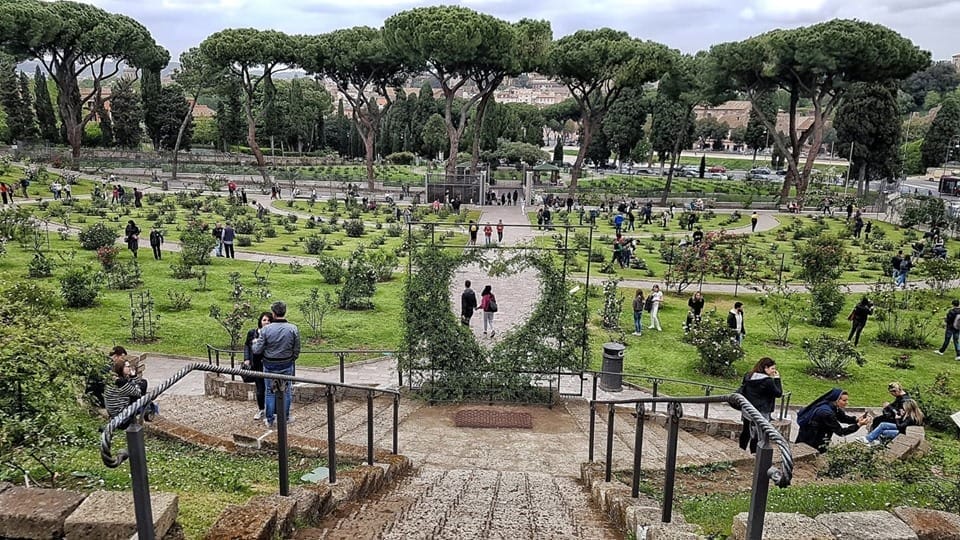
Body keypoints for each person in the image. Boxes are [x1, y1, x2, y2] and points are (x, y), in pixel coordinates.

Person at [251, 301, 301, 428]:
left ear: (273, 314)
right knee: (287, 390)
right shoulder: (293, 328)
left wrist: (254, 342)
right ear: (284, 312)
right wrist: (291, 359)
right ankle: (286, 417)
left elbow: (257, 350)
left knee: (269, 391)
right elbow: (296, 349)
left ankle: (269, 419)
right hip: (286, 364)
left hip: (270, 365)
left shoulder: (266, 330)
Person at [796, 388, 870, 453]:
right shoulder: (827, 413)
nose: (847, 402)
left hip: (814, 437)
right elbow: (841, 432)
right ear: (836, 400)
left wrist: (856, 420)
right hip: (811, 440)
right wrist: (859, 425)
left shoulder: (833, 406)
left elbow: (843, 418)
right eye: (844, 400)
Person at [737, 358, 783, 454]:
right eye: (772, 368)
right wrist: (777, 379)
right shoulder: (767, 381)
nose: (774, 371)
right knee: (758, 434)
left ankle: (741, 451)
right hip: (761, 411)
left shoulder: (748, 376)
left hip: (747, 409)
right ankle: (754, 454)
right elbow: (778, 393)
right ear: (765, 368)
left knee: (746, 431)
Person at [103, 346, 154, 429]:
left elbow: (132, 385)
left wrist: (133, 377)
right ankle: (146, 409)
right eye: (127, 367)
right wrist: (134, 377)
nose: (130, 368)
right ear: (121, 368)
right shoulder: (121, 382)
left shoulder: (115, 377)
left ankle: (146, 407)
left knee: (142, 384)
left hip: (114, 411)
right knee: (142, 386)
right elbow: (138, 392)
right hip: (121, 417)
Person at [243, 312, 273, 420]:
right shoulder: (253, 333)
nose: (266, 322)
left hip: (268, 364)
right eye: (264, 320)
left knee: (270, 389)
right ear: (260, 321)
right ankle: (261, 409)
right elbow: (247, 345)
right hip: (256, 365)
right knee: (260, 389)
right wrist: (247, 358)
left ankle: (271, 411)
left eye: (269, 320)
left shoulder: (272, 334)